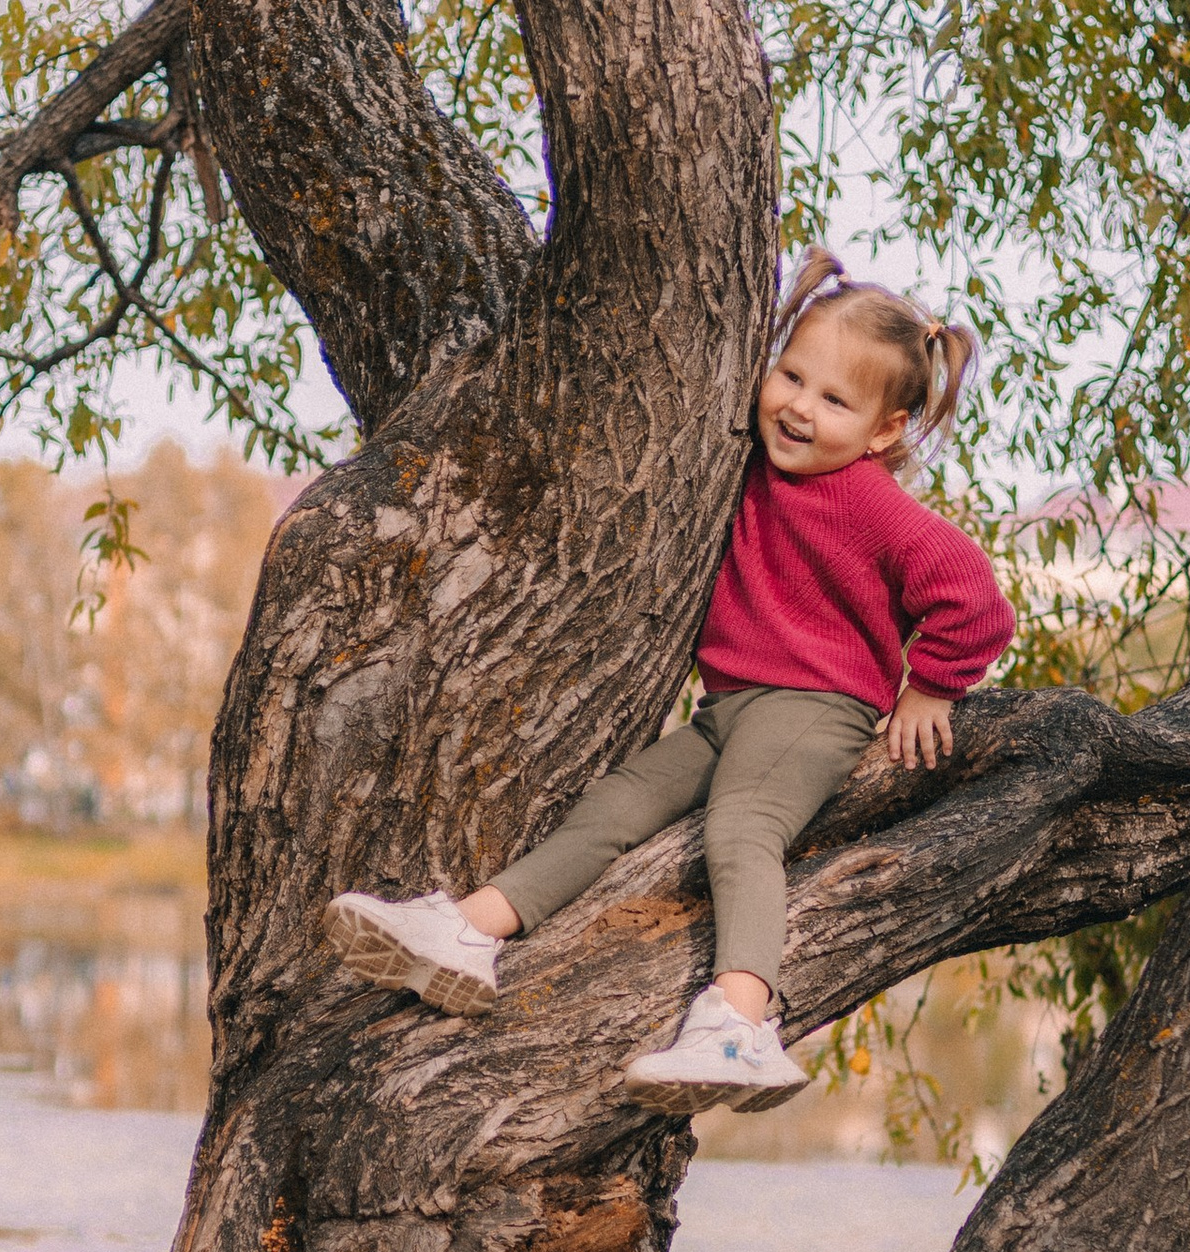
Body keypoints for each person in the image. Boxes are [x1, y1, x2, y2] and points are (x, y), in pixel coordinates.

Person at [325, 248, 1017, 1109]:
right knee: (614, 804)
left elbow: (976, 599)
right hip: (729, 709)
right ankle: (472, 930)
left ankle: (741, 1020)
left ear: (883, 431)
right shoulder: (744, 463)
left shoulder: (873, 503)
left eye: (834, 400)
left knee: (742, 829)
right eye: (791, 376)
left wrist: (931, 687)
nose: (799, 408)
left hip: (817, 706)